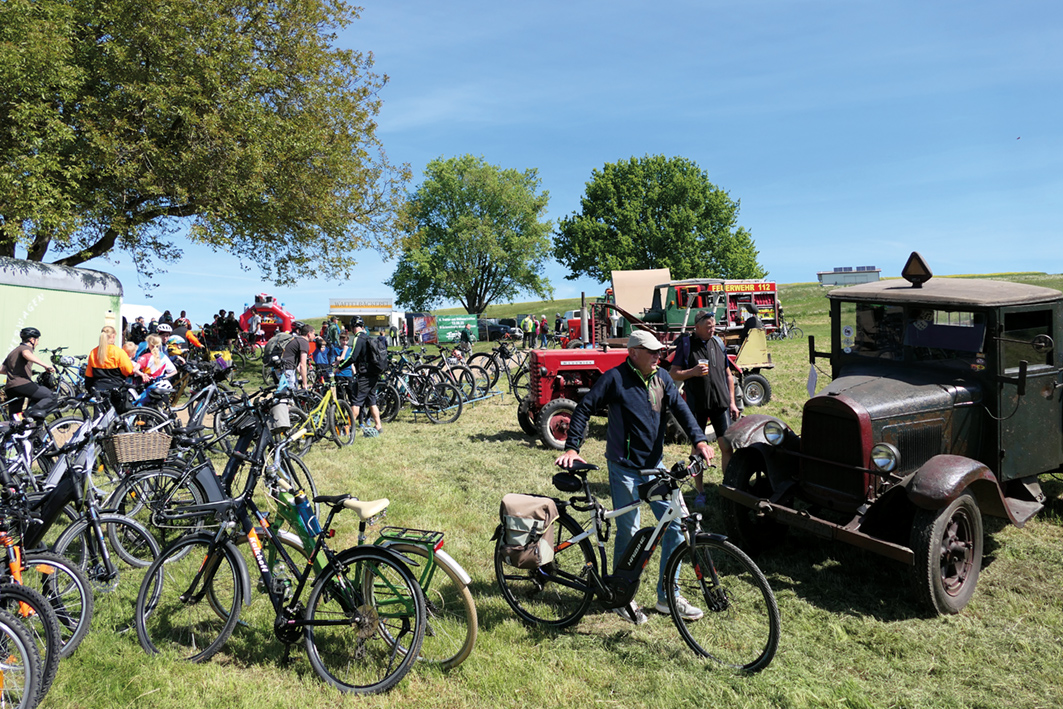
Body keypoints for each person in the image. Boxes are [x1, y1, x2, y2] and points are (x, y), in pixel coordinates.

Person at [556, 330, 714, 625]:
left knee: (677, 526)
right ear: (634, 353)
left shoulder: (662, 377)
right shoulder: (615, 378)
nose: (659, 356)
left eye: (659, 352)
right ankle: (621, 597)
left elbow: (681, 408)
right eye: (652, 352)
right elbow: (585, 408)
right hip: (624, 468)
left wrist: (699, 440)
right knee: (630, 533)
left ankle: (669, 596)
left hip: (656, 466)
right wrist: (573, 447)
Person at [665, 311, 741, 505]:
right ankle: (700, 492)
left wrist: (732, 402)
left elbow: (728, 374)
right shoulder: (686, 344)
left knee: (726, 446)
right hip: (697, 405)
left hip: (720, 403)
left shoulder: (718, 343)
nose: (712, 329)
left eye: (713, 326)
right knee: (698, 450)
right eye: (708, 327)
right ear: (696, 327)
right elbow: (674, 374)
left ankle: (728, 487)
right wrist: (693, 372)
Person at [334, 316, 382, 433]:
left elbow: (353, 357)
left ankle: (348, 428)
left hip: (364, 375)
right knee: (372, 401)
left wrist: (340, 367)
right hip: (373, 374)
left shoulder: (358, 338)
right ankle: (378, 426)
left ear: (352, 328)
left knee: (356, 402)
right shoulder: (368, 337)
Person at [1, 327, 56, 421]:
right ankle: (25, 415)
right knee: (51, 396)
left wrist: (18, 370)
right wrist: (45, 365)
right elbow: (26, 354)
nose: (38, 343)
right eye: (37, 340)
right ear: (31, 340)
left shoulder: (13, 352)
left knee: (14, 420)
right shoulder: (26, 348)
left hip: (10, 387)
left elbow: (2, 370)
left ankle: (14, 434)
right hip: (22, 384)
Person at [85, 325, 146, 399]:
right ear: (113, 336)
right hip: (116, 389)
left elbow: (89, 374)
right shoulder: (119, 352)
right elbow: (129, 370)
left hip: (98, 389)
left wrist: (90, 390)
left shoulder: (93, 352)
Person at [280, 322, 314, 391]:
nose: (314, 336)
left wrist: (300, 374)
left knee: (284, 393)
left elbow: (297, 364)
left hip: (283, 368)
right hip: (288, 370)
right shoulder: (304, 342)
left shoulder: (296, 339)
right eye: (313, 334)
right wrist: (305, 384)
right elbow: (303, 365)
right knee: (291, 395)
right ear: (309, 334)